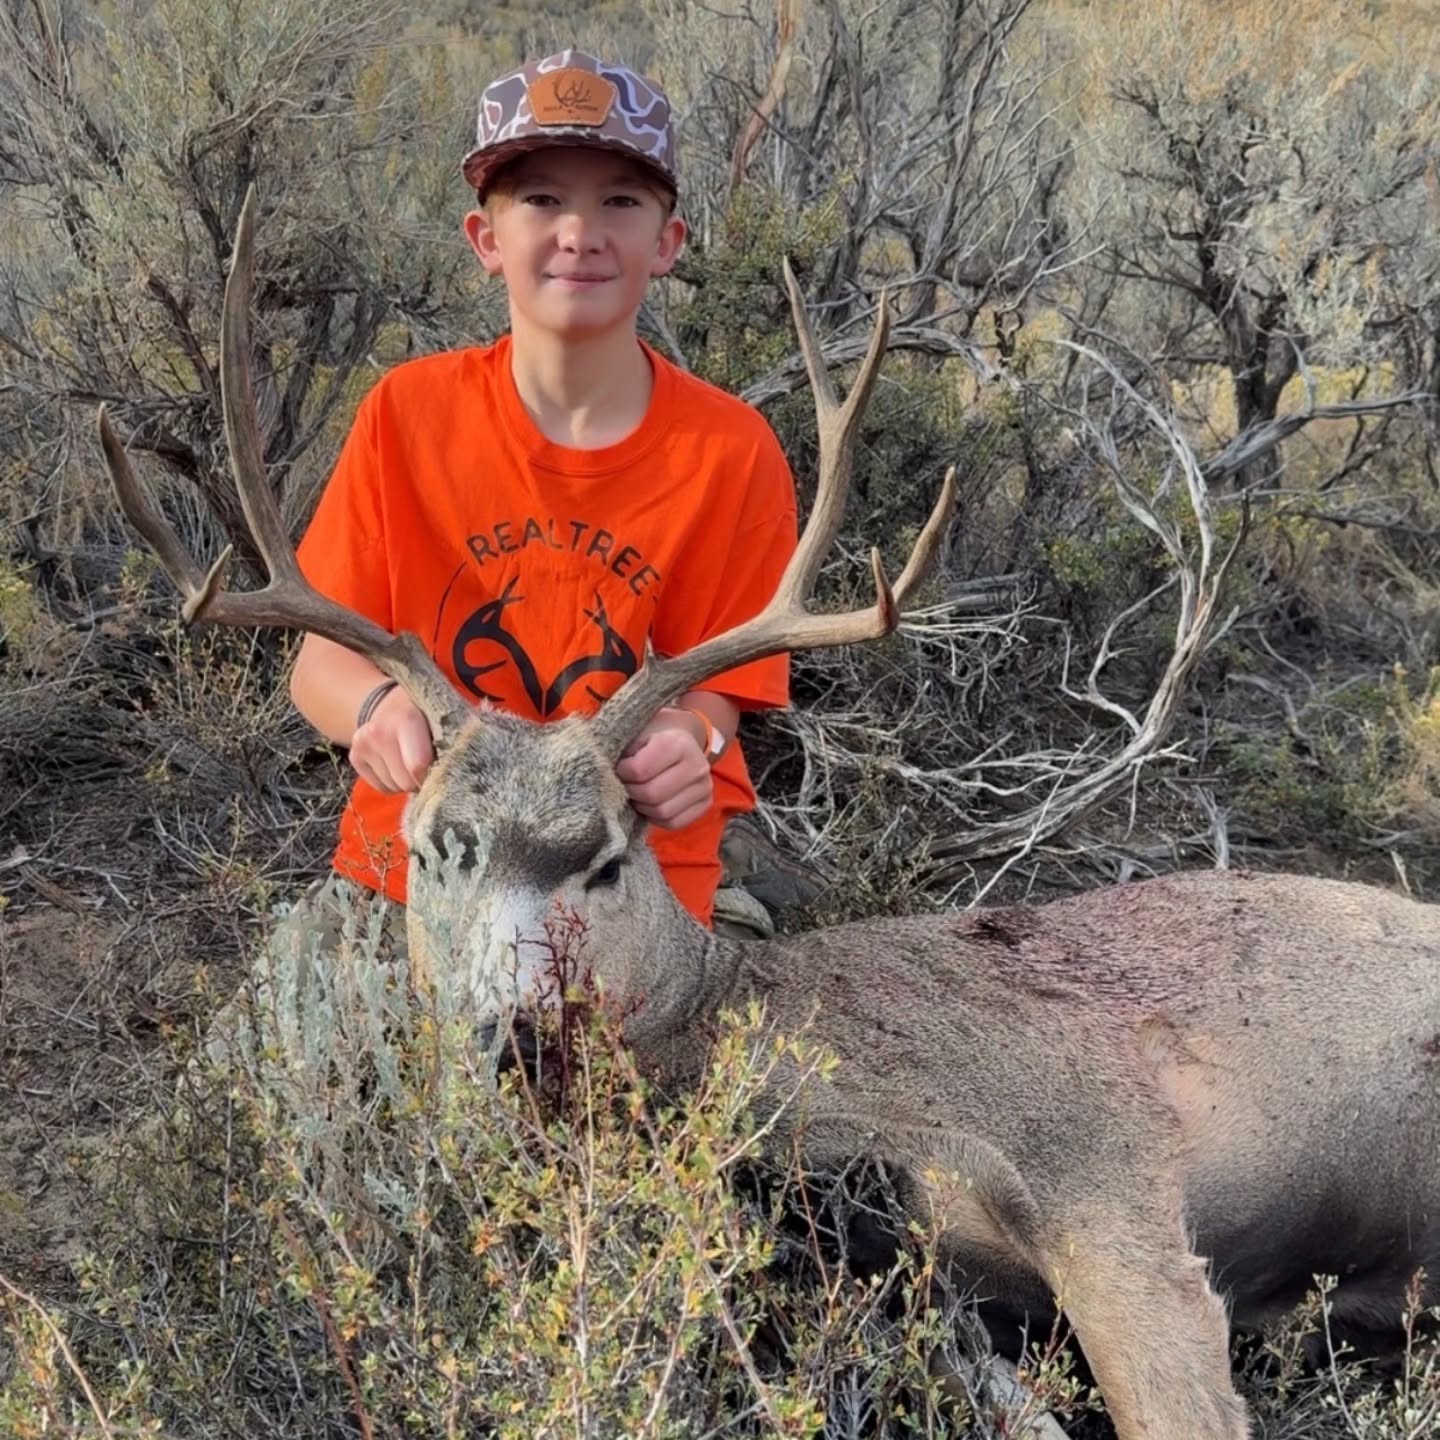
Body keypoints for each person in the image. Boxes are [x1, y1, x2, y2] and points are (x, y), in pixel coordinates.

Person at [287, 49, 798, 938]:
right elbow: (318, 664)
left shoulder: (729, 452)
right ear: (486, 239)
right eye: (542, 199)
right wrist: (373, 709)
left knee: (701, 1070)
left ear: (667, 243)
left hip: (622, 880)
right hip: (420, 875)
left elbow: (718, 686)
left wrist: (692, 743)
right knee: (262, 1073)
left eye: (621, 203)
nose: (579, 232)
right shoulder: (405, 417)